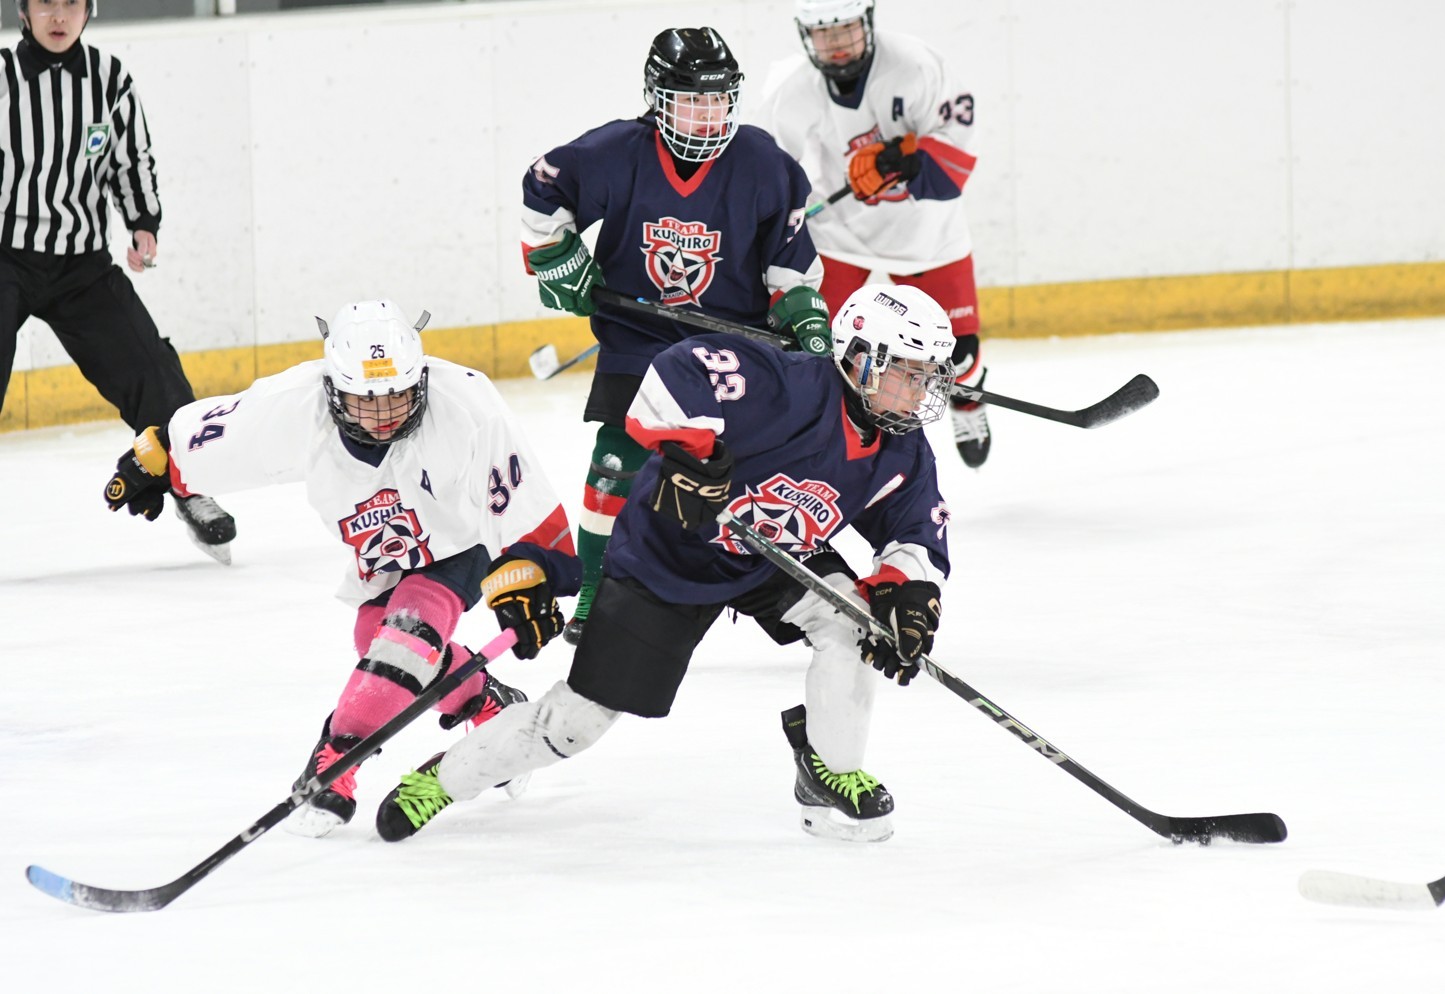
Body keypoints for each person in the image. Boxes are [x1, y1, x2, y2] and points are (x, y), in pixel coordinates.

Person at [373, 284, 955, 845]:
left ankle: (829, 768)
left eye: (927, 376)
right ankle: (443, 779)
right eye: (907, 373)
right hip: (666, 557)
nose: (920, 391)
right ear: (858, 358)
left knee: (856, 623)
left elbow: (917, 534)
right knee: (577, 723)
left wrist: (905, 592)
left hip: (770, 559)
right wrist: (691, 452)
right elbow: (680, 368)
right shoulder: (786, 384)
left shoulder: (903, 451)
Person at [102, 299, 581, 837]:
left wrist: (534, 568)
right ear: (333, 388)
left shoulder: (467, 402)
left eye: (398, 395)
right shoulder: (296, 404)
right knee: (379, 643)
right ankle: (487, 700)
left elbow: (519, 488)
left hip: (459, 538)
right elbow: (223, 435)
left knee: (406, 639)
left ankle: (335, 760)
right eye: (365, 400)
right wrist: (161, 460)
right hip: (383, 555)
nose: (385, 413)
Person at [520, 25, 831, 645]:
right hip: (638, 338)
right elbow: (543, 185)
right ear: (657, 98)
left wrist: (804, 315)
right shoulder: (616, 152)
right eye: (691, 101)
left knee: (751, 476)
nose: (707, 115)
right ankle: (595, 589)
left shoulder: (765, 165)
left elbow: (790, 264)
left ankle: (782, 595)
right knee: (618, 460)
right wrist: (554, 256)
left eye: (717, 100)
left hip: (729, 351)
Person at [0, 0, 235, 560]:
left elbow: (131, 159)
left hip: (80, 265)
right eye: (46, 3)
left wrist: (142, 221)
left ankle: (190, 484)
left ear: (89, 11)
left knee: (154, 372)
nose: (59, 16)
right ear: (24, 11)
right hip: (4, 258)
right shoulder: (2, 78)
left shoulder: (109, 79)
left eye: (71, 3)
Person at [755, 0, 992, 469]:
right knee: (815, 343)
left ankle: (968, 405)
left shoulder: (916, 64)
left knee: (959, 355)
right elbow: (764, 168)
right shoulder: (791, 87)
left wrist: (908, 160)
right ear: (805, 34)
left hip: (927, 236)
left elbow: (957, 157)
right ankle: (823, 435)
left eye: (845, 29)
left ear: (867, 20)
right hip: (839, 237)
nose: (837, 44)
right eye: (824, 33)